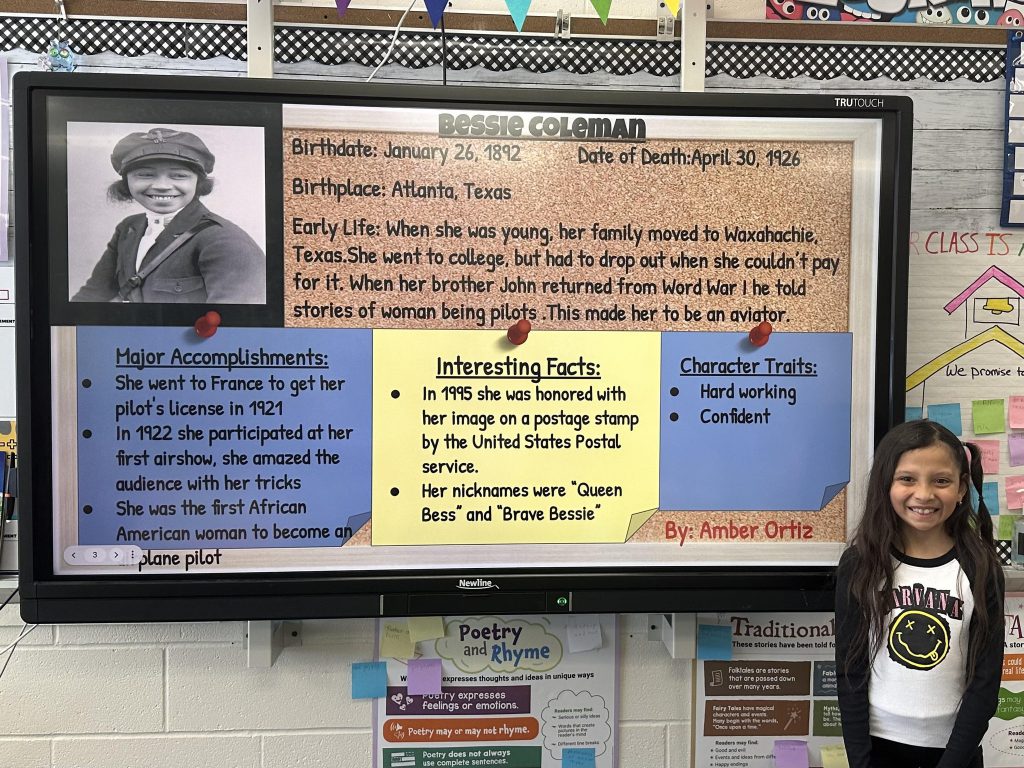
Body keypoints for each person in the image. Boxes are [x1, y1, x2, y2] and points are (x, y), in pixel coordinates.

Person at [836, 419, 1005, 768]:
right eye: (907, 479)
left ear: (961, 489)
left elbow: (985, 683)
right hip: (878, 749)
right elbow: (849, 671)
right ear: (886, 485)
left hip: (954, 753)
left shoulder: (980, 568)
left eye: (941, 481)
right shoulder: (861, 563)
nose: (924, 494)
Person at [72, 127, 265, 304]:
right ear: (127, 182)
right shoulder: (129, 228)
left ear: (198, 182)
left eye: (179, 175)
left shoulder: (225, 241)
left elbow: (234, 326)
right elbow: (91, 296)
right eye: (145, 175)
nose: (162, 186)